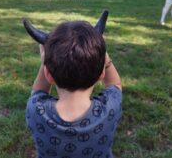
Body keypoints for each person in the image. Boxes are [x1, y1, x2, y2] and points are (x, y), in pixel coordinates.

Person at [25, 20, 122, 158]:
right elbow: (115, 84)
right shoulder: (110, 109)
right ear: (101, 73)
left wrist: (45, 62)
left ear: (48, 75)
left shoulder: (36, 110)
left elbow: (38, 91)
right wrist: (103, 54)